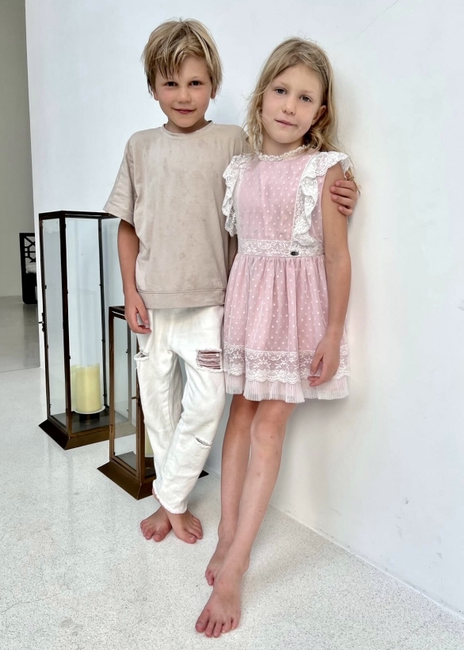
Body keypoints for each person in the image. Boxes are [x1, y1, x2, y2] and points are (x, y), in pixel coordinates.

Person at [104, 21, 358, 546]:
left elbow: (287, 175)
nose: (183, 95)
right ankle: (170, 502)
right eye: (170, 83)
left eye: (196, 83)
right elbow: (127, 224)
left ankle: (180, 506)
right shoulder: (141, 146)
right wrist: (129, 292)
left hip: (213, 305)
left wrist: (346, 192)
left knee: (205, 408)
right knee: (158, 408)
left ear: (214, 86)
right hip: (153, 303)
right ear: (152, 86)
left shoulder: (234, 145)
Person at [196, 37, 354, 637]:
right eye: (282, 91)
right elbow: (240, 248)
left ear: (321, 112)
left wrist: (332, 332)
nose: (290, 105)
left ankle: (237, 565)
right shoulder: (240, 168)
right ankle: (227, 533)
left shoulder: (327, 170)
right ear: (262, 96)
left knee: (269, 425)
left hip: (297, 315)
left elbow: (336, 257)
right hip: (249, 307)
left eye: (305, 98)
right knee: (239, 415)